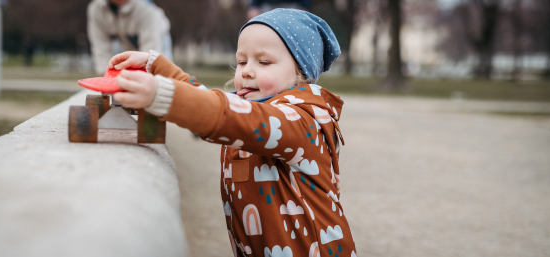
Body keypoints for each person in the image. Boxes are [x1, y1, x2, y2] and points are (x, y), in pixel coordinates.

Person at [108, 9, 356, 257]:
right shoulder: (252, 107)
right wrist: (156, 66)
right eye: (241, 61)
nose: (247, 71)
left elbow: (231, 116)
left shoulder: (301, 121)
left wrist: (162, 95)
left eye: (264, 62)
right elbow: (210, 102)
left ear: (301, 74)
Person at [87, 0, 173, 74]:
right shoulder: (96, 9)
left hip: (157, 37)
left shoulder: (145, 8)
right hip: (127, 40)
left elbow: (151, 51)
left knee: (160, 70)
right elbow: (101, 46)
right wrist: (105, 75)